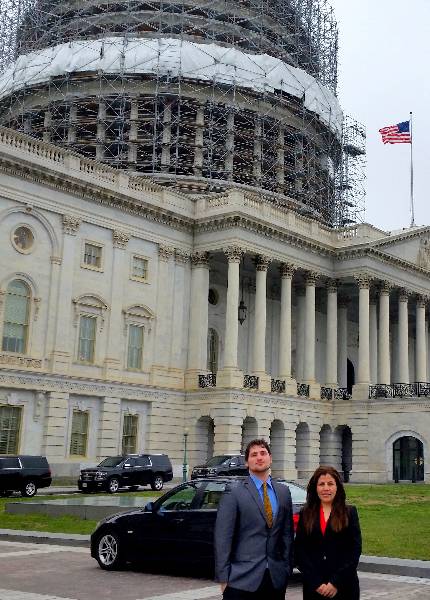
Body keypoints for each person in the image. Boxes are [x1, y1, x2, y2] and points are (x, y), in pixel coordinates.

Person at [214, 438, 294, 599]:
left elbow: (287, 534)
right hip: (240, 580)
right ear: (246, 462)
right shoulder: (234, 492)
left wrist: (286, 568)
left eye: (263, 453)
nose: (259, 457)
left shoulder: (284, 492)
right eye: (254, 454)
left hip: (275, 579)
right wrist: (223, 577)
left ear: (270, 458)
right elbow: (223, 537)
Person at [295, 466, 362, 600]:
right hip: (314, 588)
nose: (326, 488)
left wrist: (335, 582)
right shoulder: (305, 513)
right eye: (321, 484)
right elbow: (300, 551)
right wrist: (316, 582)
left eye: (330, 484)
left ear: (337, 487)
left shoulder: (349, 513)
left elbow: (354, 551)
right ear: (315, 488)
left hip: (344, 586)